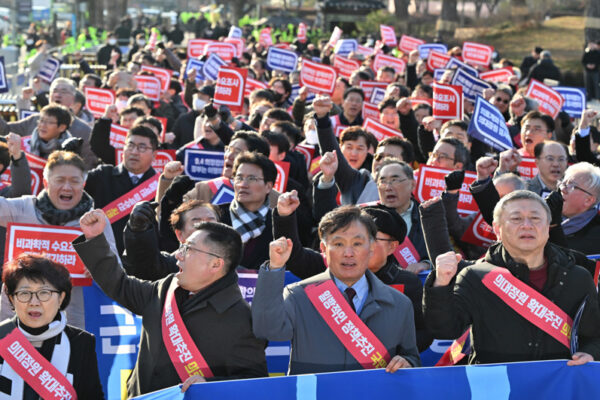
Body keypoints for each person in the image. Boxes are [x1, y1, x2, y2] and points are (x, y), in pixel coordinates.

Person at [75, 212, 268, 397]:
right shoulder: (166, 288)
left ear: (216, 265)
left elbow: (253, 384)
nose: (178, 255)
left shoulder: (240, 318)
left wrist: (210, 388)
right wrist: (95, 240)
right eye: (182, 247)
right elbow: (119, 285)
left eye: (189, 249)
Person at [423, 190, 600, 364]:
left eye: (535, 218)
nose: (527, 225)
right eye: (516, 218)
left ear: (548, 227)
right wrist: (441, 284)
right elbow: (445, 330)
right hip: (496, 388)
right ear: (497, 229)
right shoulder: (475, 277)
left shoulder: (577, 277)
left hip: (558, 386)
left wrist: (590, 354)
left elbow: (594, 336)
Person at [252, 205, 421, 374]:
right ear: (324, 249)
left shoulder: (399, 304)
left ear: (370, 248)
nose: (348, 253)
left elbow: (411, 356)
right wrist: (274, 268)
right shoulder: (299, 295)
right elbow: (267, 330)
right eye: (338, 243)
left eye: (357, 243)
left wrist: (408, 363)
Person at [0, 151, 117, 329]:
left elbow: (117, 272)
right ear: (46, 183)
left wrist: (100, 266)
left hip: (73, 324)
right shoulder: (24, 209)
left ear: (83, 184)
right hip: (18, 322)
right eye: (60, 180)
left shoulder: (95, 220)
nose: (67, 187)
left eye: (74, 181)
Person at [0, 254, 103, 399]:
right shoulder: (1, 337)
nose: (34, 302)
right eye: (24, 293)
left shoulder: (81, 342)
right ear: (11, 298)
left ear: (61, 298)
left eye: (44, 293)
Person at [84, 125, 158, 255]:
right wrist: (69, 160)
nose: (134, 151)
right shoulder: (103, 175)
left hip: (145, 259)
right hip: (105, 255)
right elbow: (74, 187)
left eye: (142, 147)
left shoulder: (159, 185)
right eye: (130, 145)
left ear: (154, 155)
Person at [123, 200, 220, 280]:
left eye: (210, 221)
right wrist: (138, 230)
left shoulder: (232, 260)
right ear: (180, 235)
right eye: (197, 222)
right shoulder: (169, 266)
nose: (205, 226)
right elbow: (144, 264)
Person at [559, 162, 600, 255]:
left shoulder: (596, 236)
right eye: (563, 183)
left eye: (571, 186)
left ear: (588, 200)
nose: (562, 189)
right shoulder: (546, 220)